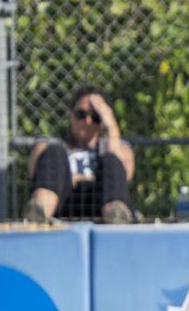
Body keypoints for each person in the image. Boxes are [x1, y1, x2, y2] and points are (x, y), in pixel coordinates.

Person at [24, 88, 135, 224]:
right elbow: (34, 172)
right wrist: (70, 180)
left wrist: (111, 126)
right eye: (81, 114)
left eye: (95, 117)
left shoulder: (116, 147)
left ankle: (116, 218)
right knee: (53, 151)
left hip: (102, 204)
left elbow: (124, 174)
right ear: (71, 115)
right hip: (62, 203)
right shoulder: (56, 147)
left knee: (111, 159)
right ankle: (38, 215)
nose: (88, 121)